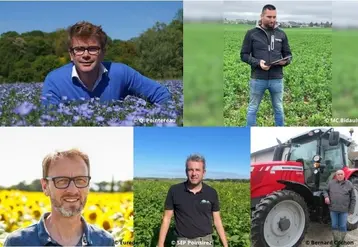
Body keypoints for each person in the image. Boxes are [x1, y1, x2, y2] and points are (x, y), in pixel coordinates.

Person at [41, 21, 172, 107]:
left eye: (93, 49)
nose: (86, 55)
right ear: (71, 54)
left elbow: (162, 95)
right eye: (79, 49)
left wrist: (150, 120)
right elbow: (48, 120)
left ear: (103, 53)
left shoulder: (121, 73)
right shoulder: (54, 80)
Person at [4, 148, 115, 246]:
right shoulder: (18, 242)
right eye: (62, 181)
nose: (72, 190)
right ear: (45, 186)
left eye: (81, 180)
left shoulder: (105, 242)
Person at [157, 154, 228, 247]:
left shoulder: (211, 192)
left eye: (198, 170)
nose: (194, 174)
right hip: (183, 242)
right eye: (190, 170)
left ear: (204, 172)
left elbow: (217, 220)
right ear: (186, 172)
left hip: (206, 242)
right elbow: (166, 219)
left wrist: (225, 245)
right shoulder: (175, 190)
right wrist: (160, 244)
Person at [240, 4, 292, 126]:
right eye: (269, 17)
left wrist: (286, 61)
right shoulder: (251, 33)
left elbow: (288, 55)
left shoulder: (281, 34)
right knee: (253, 108)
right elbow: (244, 55)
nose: (272, 20)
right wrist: (258, 63)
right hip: (258, 78)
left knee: (279, 108)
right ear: (262, 16)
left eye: (274, 17)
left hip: (277, 79)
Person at [323, 170, 356, 247]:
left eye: (341, 174)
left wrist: (351, 210)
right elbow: (325, 190)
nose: (340, 176)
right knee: (334, 225)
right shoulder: (331, 183)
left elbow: (353, 198)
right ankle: (335, 242)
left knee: (342, 226)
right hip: (333, 209)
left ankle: (340, 243)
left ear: (344, 175)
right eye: (338, 174)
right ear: (336, 175)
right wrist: (326, 196)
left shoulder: (349, 184)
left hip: (344, 210)